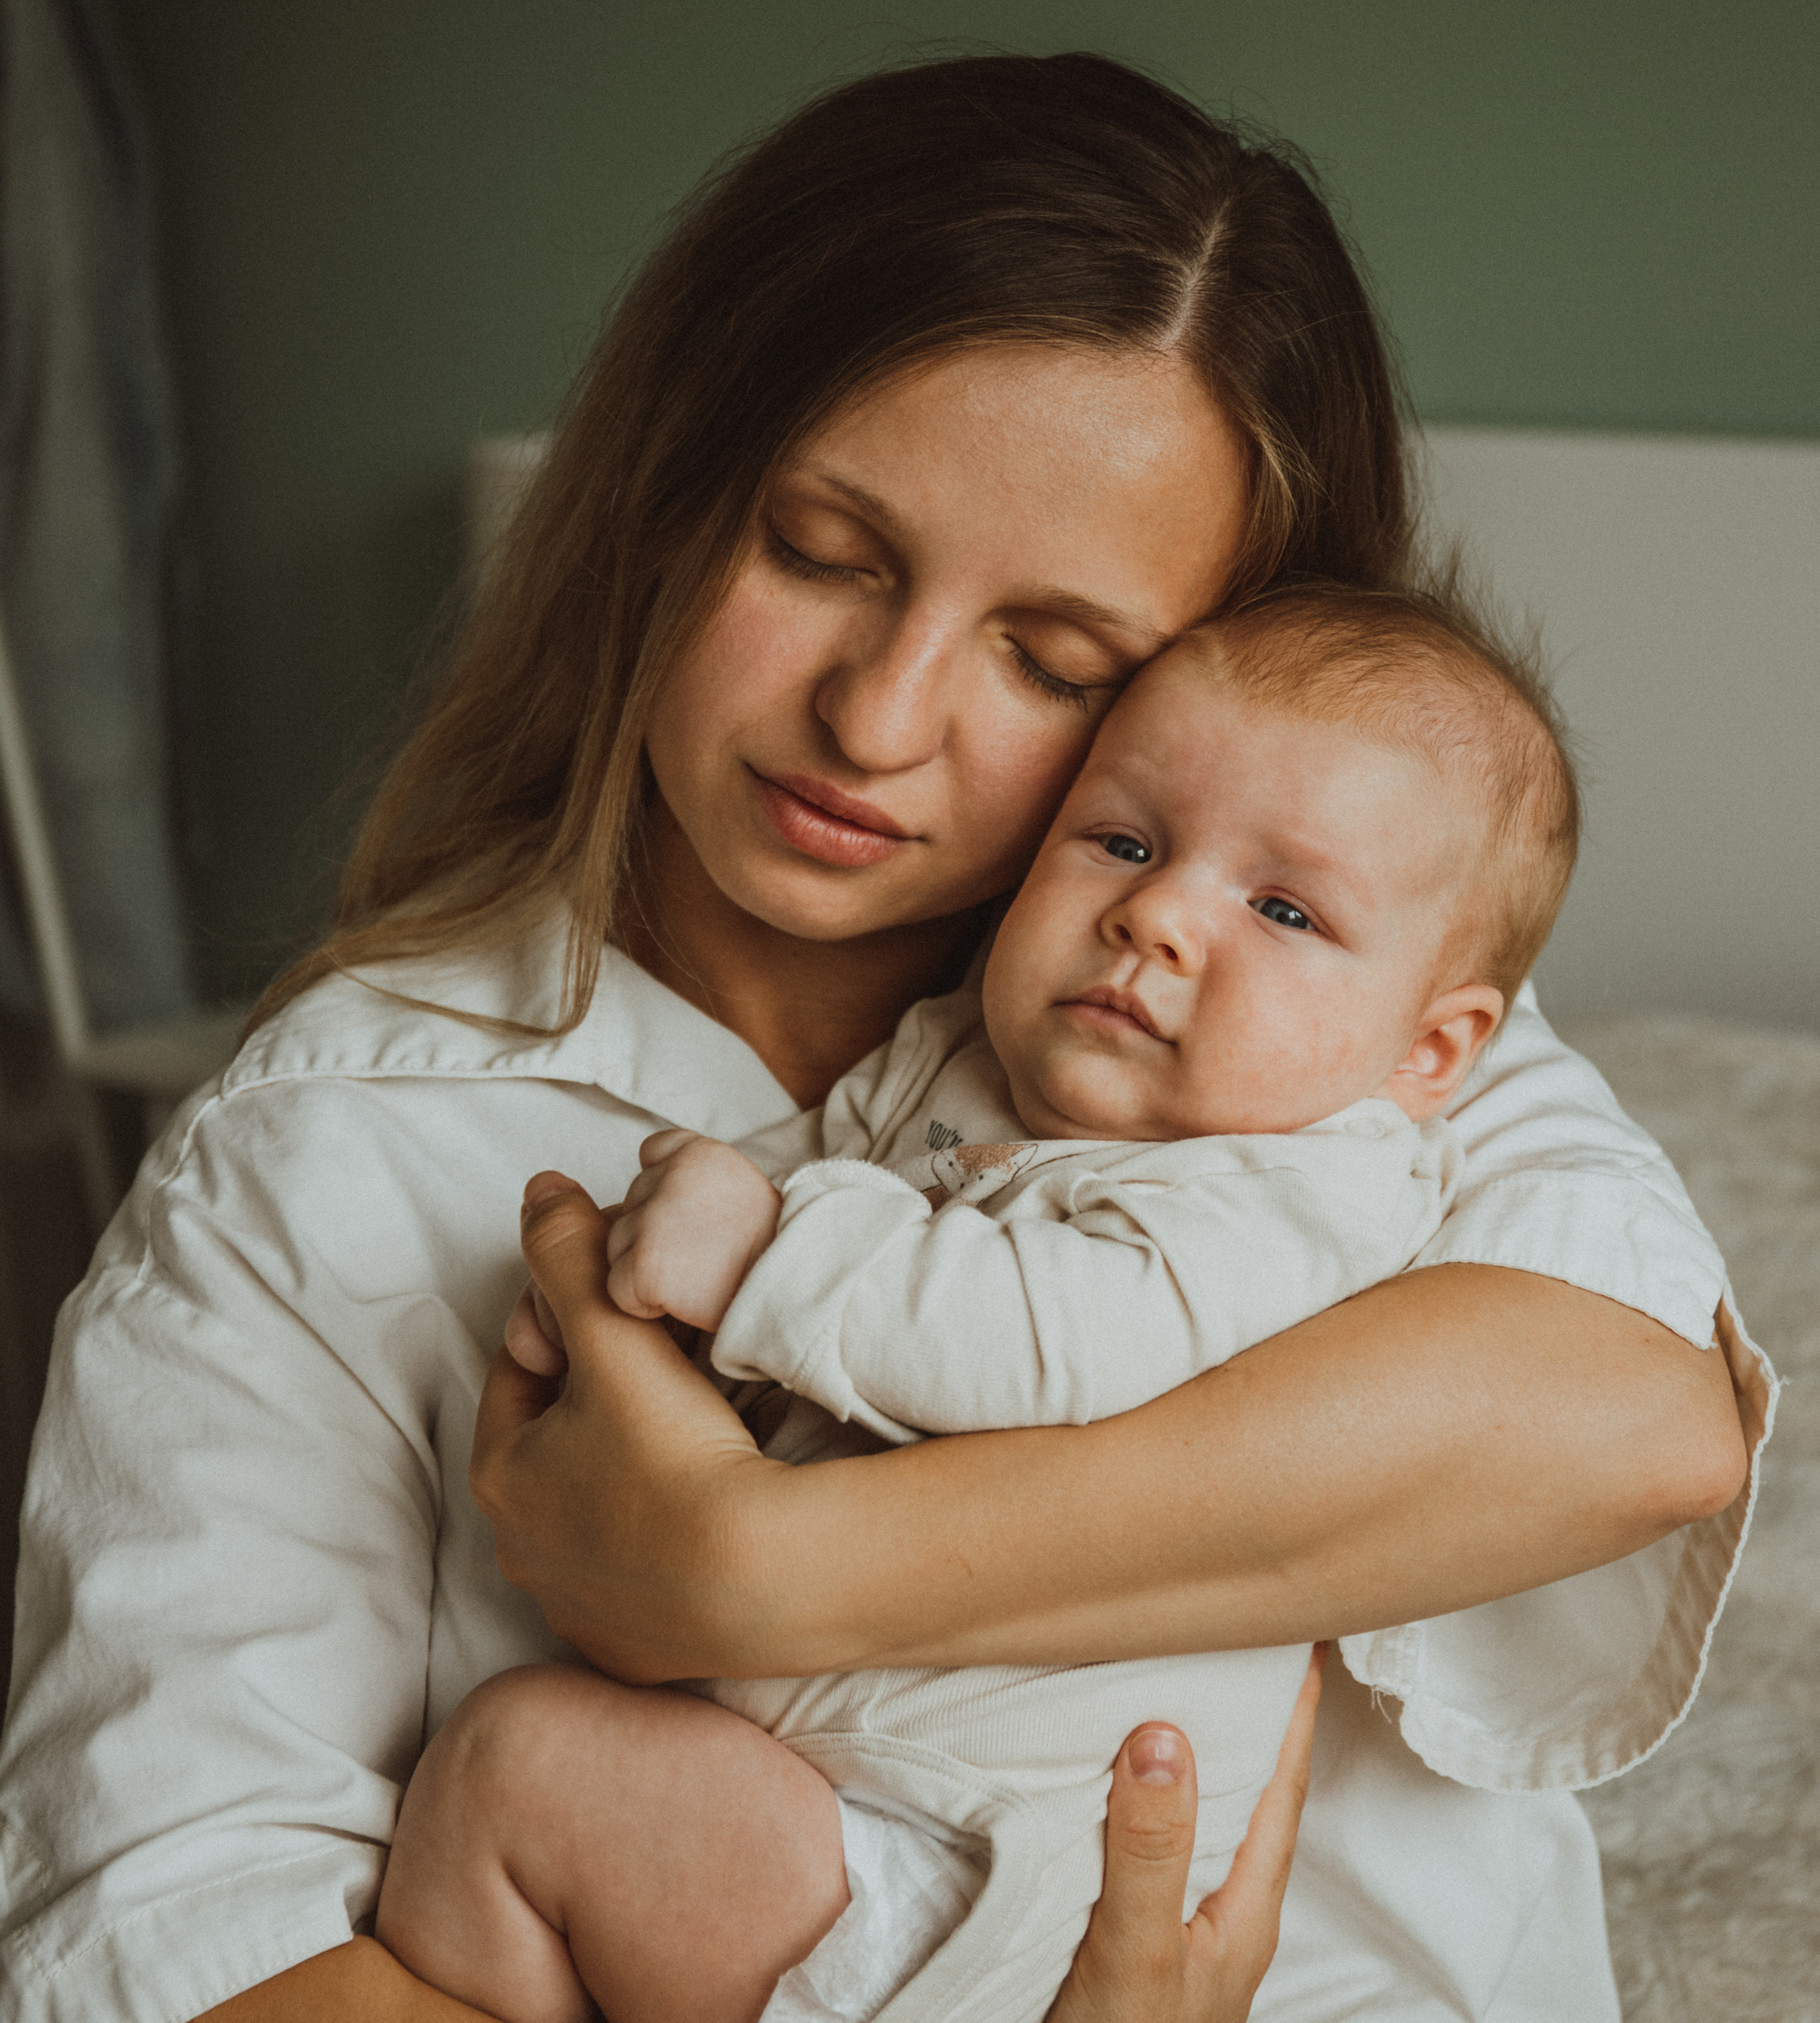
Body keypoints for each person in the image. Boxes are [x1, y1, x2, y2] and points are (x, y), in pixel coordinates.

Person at [0, 56, 1765, 2023]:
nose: (880, 713)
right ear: (665, 496)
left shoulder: (1318, 1023)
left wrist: (757, 1577)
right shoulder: (323, 1152)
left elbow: (1641, 1420)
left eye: (1055, 661)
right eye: (824, 552)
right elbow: (194, 1949)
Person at [374, 580, 1577, 2023]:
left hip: (971, 1881)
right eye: (1121, 841)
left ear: (1427, 1053)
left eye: (1281, 907)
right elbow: (805, 1181)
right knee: (508, 1791)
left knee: (516, 1771)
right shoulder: (956, 1060)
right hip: (830, 1792)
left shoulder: (1299, 1188)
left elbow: (1052, 1341)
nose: (1154, 919)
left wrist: (754, 1251)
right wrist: (629, 1288)